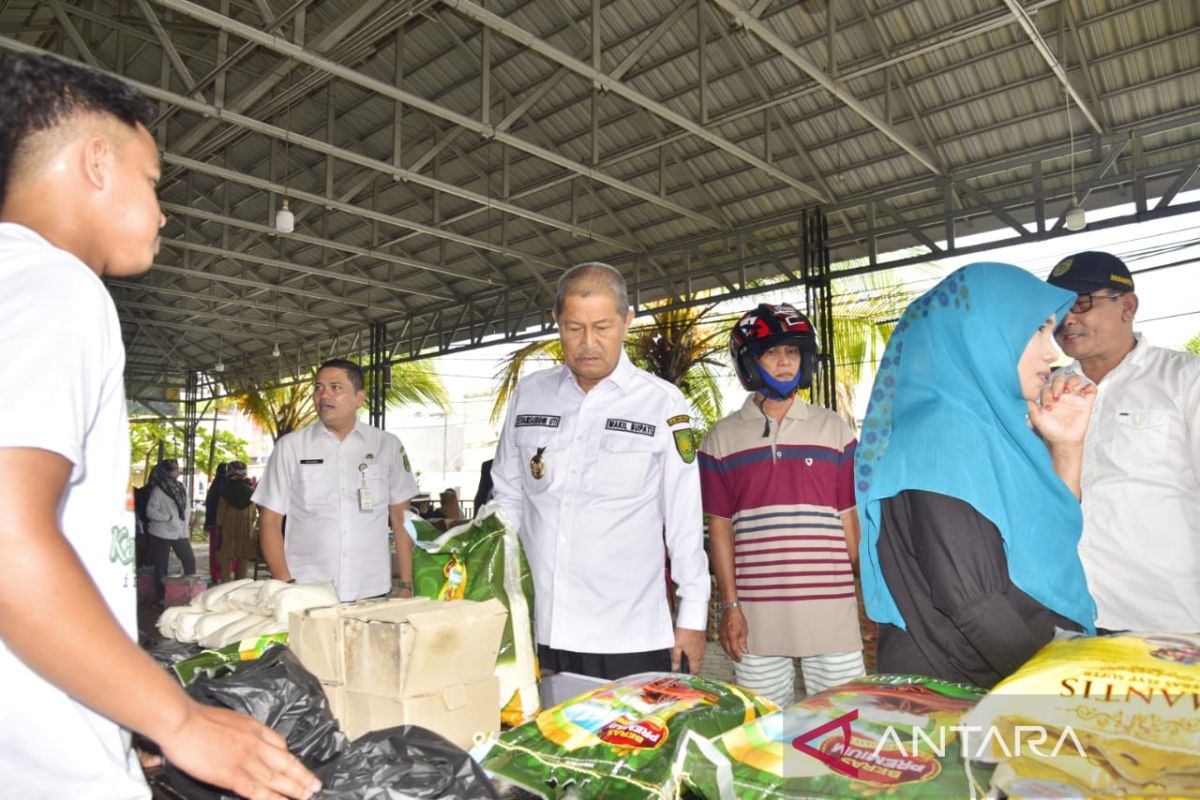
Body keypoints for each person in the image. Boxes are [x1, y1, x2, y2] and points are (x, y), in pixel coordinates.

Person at [0, 53, 319, 798]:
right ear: (97, 162)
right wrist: (176, 719)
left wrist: (117, 719)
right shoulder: (55, 286)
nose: (164, 211)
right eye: (153, 182)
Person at [857, 263, 1098, 689]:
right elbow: (973, 601)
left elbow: (1050, 534)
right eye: (1037, 330)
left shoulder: (992, 429)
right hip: (966, 699)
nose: (1052, 351)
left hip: (1003, 680)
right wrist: (1058, 694)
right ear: (982, 333)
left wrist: (1066, 447)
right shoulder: (944, 433)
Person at [491, 262, 709, 680]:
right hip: (538, 626)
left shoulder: (662, 404)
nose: (587, 343)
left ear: (627, 322)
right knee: (541, 742)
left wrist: (693, 616)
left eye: (602, 327)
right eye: (573, 327)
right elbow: (507, 498)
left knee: (627, 743)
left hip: (628, 633)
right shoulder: (530, 395)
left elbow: (683, 518)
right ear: (556, 320)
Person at [699, 304, 863, 707]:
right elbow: (719, 527)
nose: (785, 361)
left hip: (832, 610)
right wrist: (729, 606)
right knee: (766, 727)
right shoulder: (720, 439)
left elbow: (850, 519)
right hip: (756, 616)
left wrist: (868, 595)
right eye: (772, 352)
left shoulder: (835, 430)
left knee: (843, 721)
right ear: (749, 362)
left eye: (792, 351)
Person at [1046, 251, 1200, 633]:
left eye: (1082, 303)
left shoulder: (1185, 379)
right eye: (1058, 307)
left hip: (1169, 619)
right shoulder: (1043, 393)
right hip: (1066, 619)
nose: (1068, 319)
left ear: (1127, 306)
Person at [253, 358, 419, 601]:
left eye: (335, 387)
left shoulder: (387, 446)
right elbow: (270, 520)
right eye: (319, 387)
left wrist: (406, 583)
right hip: (306, 589)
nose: (324, 395)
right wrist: (285, 584)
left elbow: (401, 517)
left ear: (359, 399)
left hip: (370, 588)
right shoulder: (291, 447)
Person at [145, 458, 196, 600]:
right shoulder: (158, 490)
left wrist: (184, 522)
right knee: (161, 566)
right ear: (165, 471)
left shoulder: (181, 487)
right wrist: (167, 518)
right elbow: (150, 511)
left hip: (180, 532)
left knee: (189, 560)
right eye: (173, 468)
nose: (177, 471)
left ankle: (191, 590)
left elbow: (186, 507)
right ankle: (162, 596)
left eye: (177, 468)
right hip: (161, 532)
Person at [215, 461, 257, 582]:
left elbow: (220, 515)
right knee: (243, 559)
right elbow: (253, 515)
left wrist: (219, 527)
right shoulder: (252, 492)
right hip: (245, 531)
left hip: (228, 531)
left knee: (226, 560)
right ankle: (240, 586)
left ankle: (225, 586)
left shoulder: (225, 491)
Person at [203, 462, 229, 582]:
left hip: (213, 523)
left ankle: (215, 575)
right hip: (222, 524)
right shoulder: (225, 486)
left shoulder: (214, 486)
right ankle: (220, 574)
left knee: (215, 549)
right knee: (221, 550)